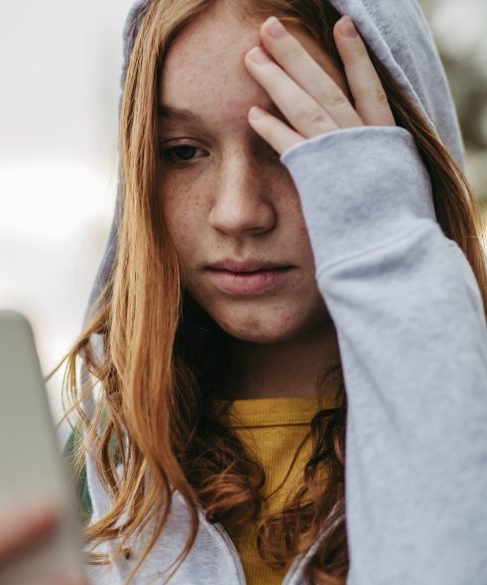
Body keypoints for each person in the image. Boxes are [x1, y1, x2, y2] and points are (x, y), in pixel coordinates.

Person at [59, 0, 487, 584]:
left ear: (401, 165)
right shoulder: (95, 469)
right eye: (182, 152)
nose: (238, 212)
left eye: (298, 144)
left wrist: (391, 259)